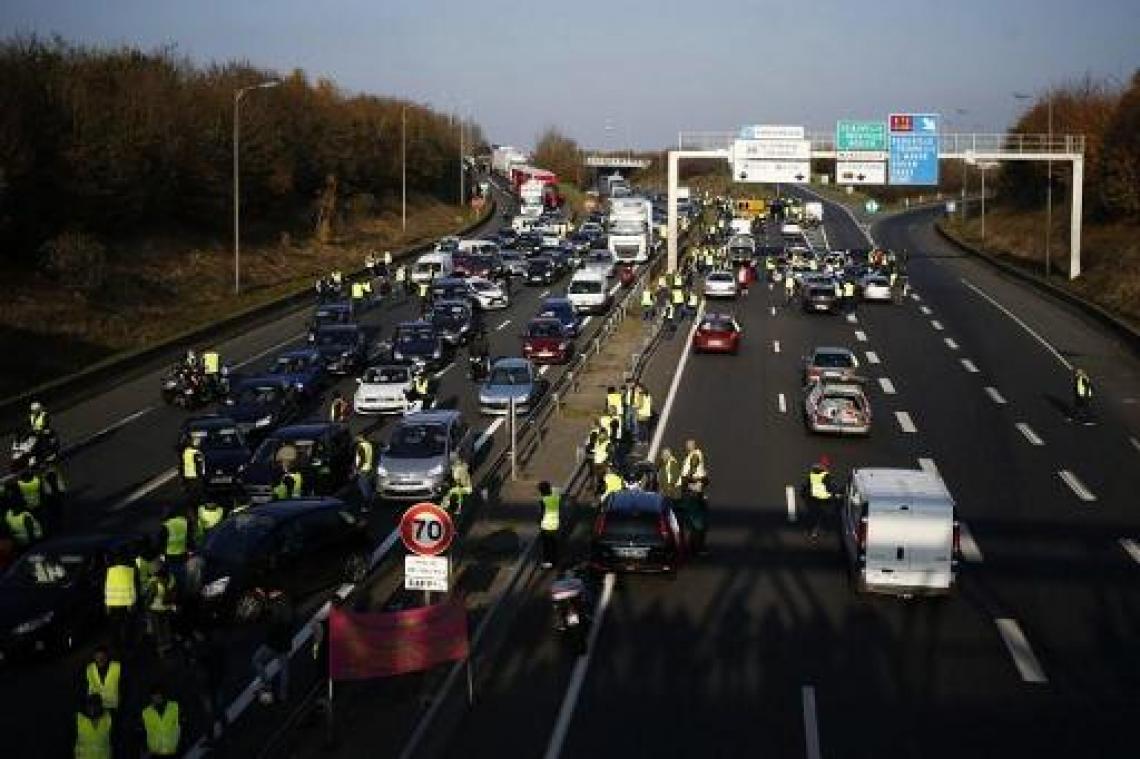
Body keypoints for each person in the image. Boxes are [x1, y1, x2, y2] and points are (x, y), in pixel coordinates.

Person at [252, 590, 293, 705]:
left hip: (273, 643)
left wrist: (264, 600)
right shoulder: (287, 605)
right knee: (284, 669)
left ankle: (267, 684)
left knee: (256, 660)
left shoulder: (276, 607)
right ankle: (283, 695)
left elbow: (272, 619)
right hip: (285, 643)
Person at [104, 552, 138, 652]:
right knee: (127, 628)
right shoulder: (129, 571)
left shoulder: (110, 571)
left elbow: (107, 588)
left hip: (113, 605)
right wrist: (132, 603)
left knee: (115, 629)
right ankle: (127, 646)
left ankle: (116, 647)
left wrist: (107, 605)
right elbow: (132, 589)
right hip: (126, 605)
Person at [145, 563, 178, 658]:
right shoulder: (172, 579)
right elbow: (175, 591)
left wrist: (146, 606)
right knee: (166, 627)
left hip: (155, 609)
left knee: (158, 630)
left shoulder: (154, 583)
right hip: (167, 608)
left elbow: (149, 598)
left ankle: (160, 649)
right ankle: (168, 645)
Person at [140, 684, 181, 758]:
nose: (157, 696)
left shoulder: (174, 707)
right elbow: (143, 732)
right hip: (155, 753)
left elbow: (182, 726)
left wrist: (181, 745)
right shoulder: (146, 713)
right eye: (155, 694)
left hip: (172, 752)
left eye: (159, 694)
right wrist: (145, 750)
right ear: (151, 696)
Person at [85, 645, 122, 714]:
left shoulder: (117, 666)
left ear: (107, 656)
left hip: (113, 705)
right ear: (94, 657)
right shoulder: (90, 668)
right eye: (97, 657)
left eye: (103, 656)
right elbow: (90, 686)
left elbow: (124, 684)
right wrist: (90, 703)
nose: (100, 659)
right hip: (98, 706)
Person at [805, 456, 835, 541]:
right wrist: (835, 493)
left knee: (815, 515)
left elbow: (809, 485)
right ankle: (818, 531)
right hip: (824, 498)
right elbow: (830, 487)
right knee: (823, 515)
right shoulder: (826, 475)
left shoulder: (813, 473)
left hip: (813, 498)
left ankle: (814, 532)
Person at [75, 694, 113, 759]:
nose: (92, 709)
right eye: (90, 705)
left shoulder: (108, 719)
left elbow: (113, 743)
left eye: (95, 705)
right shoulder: (78, 719)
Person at [537, 481, 561, 569]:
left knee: (547, 545)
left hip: (547, 525)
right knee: (553, 543)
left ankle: (549, 563)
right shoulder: (555, 496)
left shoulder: (543, 501)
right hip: (555, 522)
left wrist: (539, 523)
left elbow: (541, 514)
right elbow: (557, 490)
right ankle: (555, 560)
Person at [354, 432, 374, 506]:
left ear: (361, 437)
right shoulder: (369, 445)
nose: (356, 439)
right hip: (368, 467)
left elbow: (362, 458)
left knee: (362, 485)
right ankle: (369, 498)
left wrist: (357, 469)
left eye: (357, 437)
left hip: (363, 468)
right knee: (366, 484)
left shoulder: (360, 446)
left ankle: (366, 501)